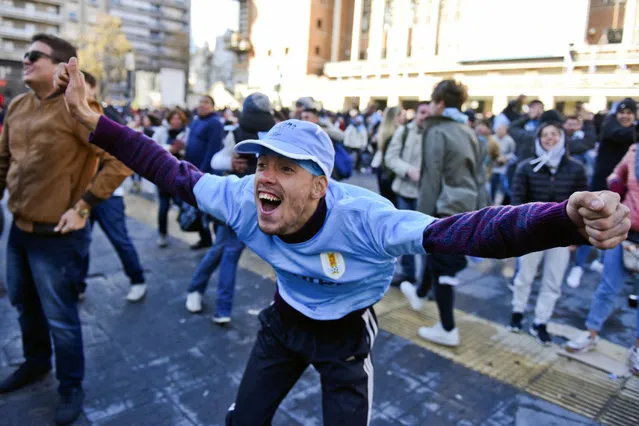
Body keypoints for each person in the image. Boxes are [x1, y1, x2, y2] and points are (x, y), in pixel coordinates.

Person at [55, 57, 630, 425]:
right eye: (261, 164)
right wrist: (94, 122)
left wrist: (563, 219)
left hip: (346, 335)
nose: (265, 178)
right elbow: (167, 168)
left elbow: (467, 230)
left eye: (286, 168)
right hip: (282, 323)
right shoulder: (242, 199)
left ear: (321, 184)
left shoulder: (366, 220)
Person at [0, 38, 129, 425]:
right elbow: (4, 160)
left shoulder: (79, 109)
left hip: (57, 236)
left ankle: (71, 386)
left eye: (33, 56)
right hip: (19, 229)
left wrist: (84, 206)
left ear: (61, 66)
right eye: (25, 54)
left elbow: (121, 161)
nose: (25, 60)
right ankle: (36, 363)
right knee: (23, 303)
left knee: (61, 318)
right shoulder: (19, 105)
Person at [401, 80, 489, 347]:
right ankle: (420, 293)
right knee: (439, 258)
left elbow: (431, 177)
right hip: (467, 204)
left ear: (439, 103)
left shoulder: (438, 131)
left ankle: (448, 328)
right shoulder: (468, 130)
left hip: (444, 206)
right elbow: (479, 176)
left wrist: (422, 220)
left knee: (444, 266)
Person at [186, 92, 275, 323]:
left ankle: (195, 288)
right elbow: (217, 160)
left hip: (264, 203)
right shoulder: (236, 133)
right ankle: (222, 308)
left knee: (219, 249)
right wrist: (231, 162)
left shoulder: (277, 133)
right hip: (237, 201)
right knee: (230, 251)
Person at [508, 122, 588, 345]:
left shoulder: (576, 168)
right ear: (538, 139)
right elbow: (516, 202)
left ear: (562, 138)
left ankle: (540, 322)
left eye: (555, 134)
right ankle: (517, 312)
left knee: (553, 281)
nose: (550, 138)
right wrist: (519, 230)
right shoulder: (526, 167)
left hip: (562, 236)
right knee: (524, 275)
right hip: (531, 234)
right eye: (545, 135)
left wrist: (577, 237)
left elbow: (582, 206)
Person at [564, 142, 639, 376]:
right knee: (607, 286)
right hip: (626, 231)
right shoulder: (634, 151)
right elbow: (615, 175)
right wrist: (616, 192)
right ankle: (591, 333)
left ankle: (637, 348)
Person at [75, 71, 147, 303]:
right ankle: (78, 285)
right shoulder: (69, 115)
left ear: (92, 88)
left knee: (120, 240)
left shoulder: (108, 115)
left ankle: (137, 280)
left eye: (81, 84)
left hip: (109, 196)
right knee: (81, 241)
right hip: (82, 196)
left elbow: (123, 156)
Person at [384, 101, 431, 286]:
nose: (425, 116)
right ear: (417, 113)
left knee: (427, 237)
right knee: (405, 235)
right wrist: (407, 170)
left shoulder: (436, 134)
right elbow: (390, 157)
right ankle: (408, 273)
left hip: (426, 195)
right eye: (422, 112)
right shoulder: (403, 131)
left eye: (428, 112)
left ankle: (427, 281)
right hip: (404, 191)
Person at [184, 95, 224, 250]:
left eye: (206, 102)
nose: (202, 105)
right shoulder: (195, 121)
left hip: (205, 173)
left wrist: (202, 172)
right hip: (192, 169)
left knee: (211, 210)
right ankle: (205, 238)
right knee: (197, 208)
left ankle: (219, 242)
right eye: (200, 101)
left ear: (212, 106)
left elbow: (212, 151)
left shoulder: (215, 123)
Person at [152, 109, 189, 248]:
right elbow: (153, 146)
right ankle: (162, 234)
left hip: (180, 174)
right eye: (173, 118)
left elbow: (188, 151)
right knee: (163, 206)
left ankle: (185, 221)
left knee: (182, 202)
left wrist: (182, 150)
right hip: (163, 174)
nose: (176, 121)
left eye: (178, 119)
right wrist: (170, 148)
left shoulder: (186, 132)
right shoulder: (161, 131)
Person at [371, 106, 406, 206]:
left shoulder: (383, 131)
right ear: (394, 117)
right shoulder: (398, 132)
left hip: (382, 170)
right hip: (389, 172)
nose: (403, 118)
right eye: (401, 115)